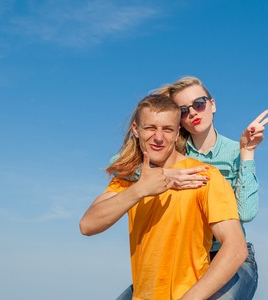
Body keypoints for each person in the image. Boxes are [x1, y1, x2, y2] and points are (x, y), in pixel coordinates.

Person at [80, 94, 248, 300]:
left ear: (177, 132)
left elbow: (236, 248)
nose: (158, 138)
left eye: (167, 129)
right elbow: (87, 225)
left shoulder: (203, 176)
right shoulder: (130, 180)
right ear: (136, 129)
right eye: (150, 128)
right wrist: (140, 189)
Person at [153, 76, 268, 299]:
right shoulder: (172, 154)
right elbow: (123, 166)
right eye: (183, 110)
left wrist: (247, 153)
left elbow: (246, 213)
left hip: (230, 256)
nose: (192, 112)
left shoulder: (234, 151)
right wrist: (166, 175)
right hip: (185, 258)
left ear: (212, 104)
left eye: (199, 104)